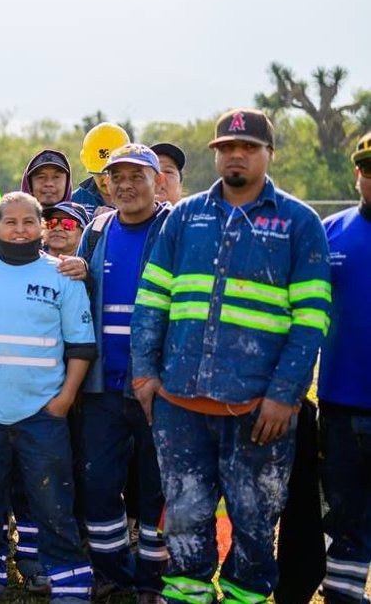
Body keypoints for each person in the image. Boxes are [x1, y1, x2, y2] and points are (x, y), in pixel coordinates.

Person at [131, 109, 331, 604]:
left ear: (268, 154)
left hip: (258, 410)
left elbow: (312, 320)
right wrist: (144, 376)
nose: (235, 155)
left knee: (254, 520)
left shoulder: (298, 223)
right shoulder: (185, 217)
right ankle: (187, 594)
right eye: (226, 148)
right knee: (184, 514)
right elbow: (152, 302)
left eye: (247, 147)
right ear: (216, 154)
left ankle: (245, 595)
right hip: (180, 404)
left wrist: (285, 397)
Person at [0, 192, 96, 604]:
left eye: (30, 221)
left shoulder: (64, 275)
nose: (20, 229)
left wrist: (64, 400)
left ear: (42, 228)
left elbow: (81, 346)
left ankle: (68, 580)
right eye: (11, 222)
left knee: (52, 498)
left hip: (42, 412)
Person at [73, 144, 172, 603]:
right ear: (105, 184)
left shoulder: (175, 229)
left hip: (159, 387)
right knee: (99, 483)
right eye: (118, 177)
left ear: (159, 182)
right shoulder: (95, 231)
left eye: (137, 176)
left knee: (157, 488)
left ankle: (153, 581)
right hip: (101, 387)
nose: (127, 185)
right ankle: (110, 573)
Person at [314, 132, 371, 604]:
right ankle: (344, 594)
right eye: (369, 170)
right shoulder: (330, 231)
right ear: (357, 174)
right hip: (340, 404)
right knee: (345, 511)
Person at [73, 122, 130, 213]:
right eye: (99, 174)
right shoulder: (75, 201)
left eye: (112, 174)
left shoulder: (140, 199)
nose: (106, 180)